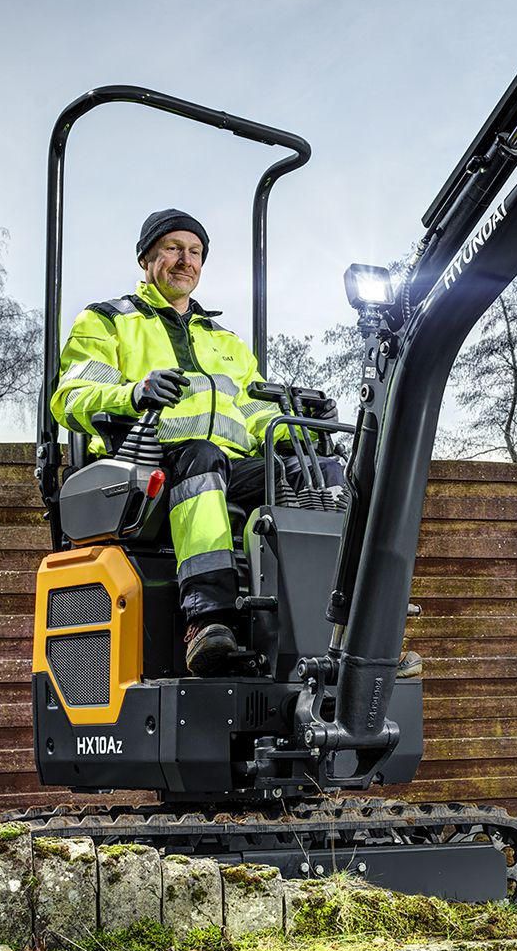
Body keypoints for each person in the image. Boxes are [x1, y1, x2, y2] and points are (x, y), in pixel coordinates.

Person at [51, 209, 329, 676]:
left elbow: (257, 411)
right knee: (202, 458)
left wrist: (300, 428)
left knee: (315, 471)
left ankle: (345, 631)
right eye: (173, 249)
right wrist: (132, 393)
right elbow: (72, 396)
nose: (186, 260)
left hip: (227, 467)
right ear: (147, 258)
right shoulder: (107, 321)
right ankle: (207, 619)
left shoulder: (225, 340)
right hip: (143, 465)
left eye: (195, 252)